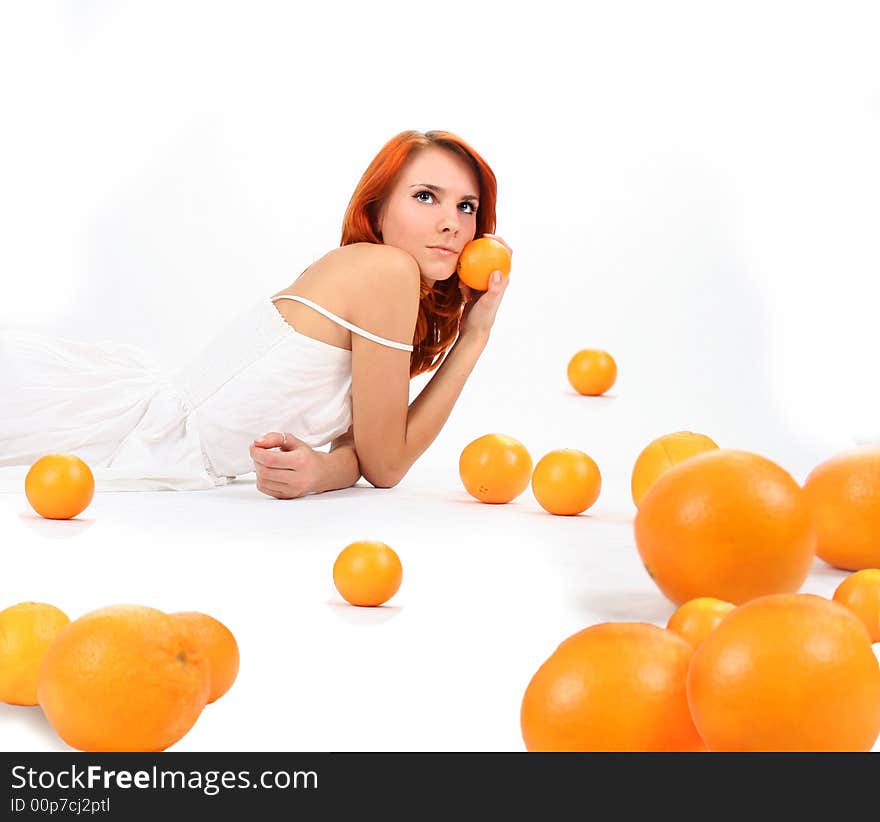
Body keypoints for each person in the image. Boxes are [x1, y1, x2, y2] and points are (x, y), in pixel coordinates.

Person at [0, 130, 512, 497]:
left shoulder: (380, 280)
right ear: (376, 212)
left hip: (134, 417)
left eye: (467, 207)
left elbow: (363, 447)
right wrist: (473, 338)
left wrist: (322, 470)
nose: (451, 223)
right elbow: (386, 465)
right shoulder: (387, 272)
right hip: (120, 429)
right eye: (426, 197)